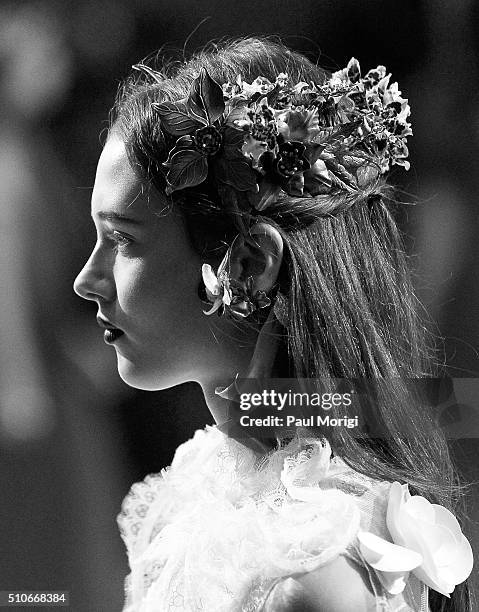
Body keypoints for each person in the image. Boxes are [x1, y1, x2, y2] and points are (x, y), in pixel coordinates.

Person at [73, 37, 474, 611]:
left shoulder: (309, 570)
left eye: (123, 239)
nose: (87, 280)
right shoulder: (199, 491)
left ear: (250, 263)